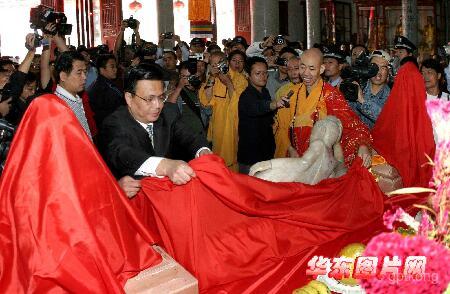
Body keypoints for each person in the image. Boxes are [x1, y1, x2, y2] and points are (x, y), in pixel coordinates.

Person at [98, 63, 211, 184]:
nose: (158, 105)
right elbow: (123, 154)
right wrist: (165, 166)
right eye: (149, 99)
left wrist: (203, 150)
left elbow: (190, 136)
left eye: (161, 97)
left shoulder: (168, 113)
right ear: (129, 98)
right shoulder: (114, 123)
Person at [279, 48, 372, 167]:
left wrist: (362, 145)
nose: (306, 73)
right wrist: (290, 149)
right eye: (302, 67)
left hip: (321, 164)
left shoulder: (330, 95)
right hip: (294, 160)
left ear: (321, 69)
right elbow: (281, 127)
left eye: (312, 69)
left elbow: (353, 126)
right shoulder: (292, 94)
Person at [250, 116, 347, 184]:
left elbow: (302, 163)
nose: (311, 135)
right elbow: (340, 163)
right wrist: (336, 142)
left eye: (314, 130)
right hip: (308, 190)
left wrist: (269, 164)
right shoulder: (331, 160)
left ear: (321, 130)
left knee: (260, 177)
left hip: (298, 184)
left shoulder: (319, 145)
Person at [237, 57, 288, 174]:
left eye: (265, 73)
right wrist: (274, 104)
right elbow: (257, 107)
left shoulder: (264, 92)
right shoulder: (246, 96)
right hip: (251, 155)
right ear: (248, 75)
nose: (263, 76)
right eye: (258, 73)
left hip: (266, 151)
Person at [199, 51, 248, 171]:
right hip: (218, 128)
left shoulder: (240, 79)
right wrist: (211, 77)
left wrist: (228, 83)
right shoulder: (211, 79)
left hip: (234, 127)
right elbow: (206, 100)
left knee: (234, 161)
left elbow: (240, 104)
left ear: (225, 62)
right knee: (218, 163)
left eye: (219, 63)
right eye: (213, 65)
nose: (217, 67)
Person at [349, 50, 391, 129]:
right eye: (374, 67)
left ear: (389, 72)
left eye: (383, 68)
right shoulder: (357, 87)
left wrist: (363, 101)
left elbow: (386, 120)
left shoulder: (392, 96)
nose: (378, 72)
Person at [273, 56, 303, 158]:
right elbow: (280, 123)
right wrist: (289, 147)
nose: (293, 73)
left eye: (296, 68)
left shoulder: (311, 89)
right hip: (284, 140)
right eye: (289, 69)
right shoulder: (283, 91)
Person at [88, 54, 124, 127]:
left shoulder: (107, 83)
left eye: (115, 66)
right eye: (112, 67)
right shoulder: (100, 88)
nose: (115, 69)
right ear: (102, 70)